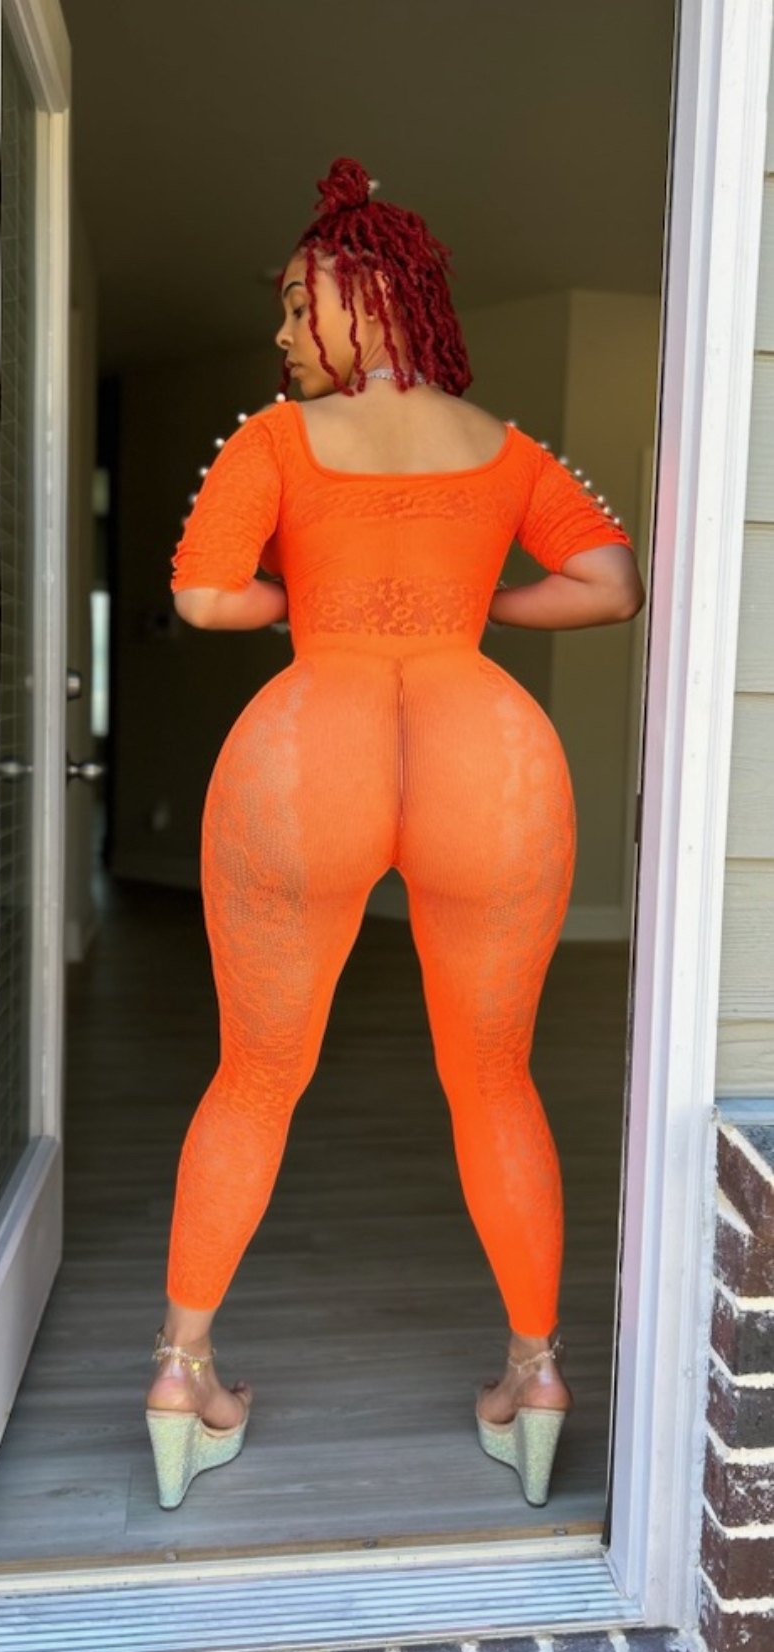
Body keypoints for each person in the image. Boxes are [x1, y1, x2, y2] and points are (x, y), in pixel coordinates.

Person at [145, 157, 645, 1513]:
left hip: (311, 746)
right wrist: (472, 611)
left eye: (298, 304)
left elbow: (203, 597)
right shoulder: (508, 447)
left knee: (255, 1075)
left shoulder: (272, 441)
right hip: (489, 753)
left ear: (370, 298)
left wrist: (309, 602)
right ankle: (534, 1380)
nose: (282, 332)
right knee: (496, 1079)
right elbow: (610, 582)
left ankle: (183, 1376)